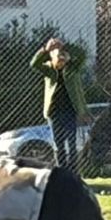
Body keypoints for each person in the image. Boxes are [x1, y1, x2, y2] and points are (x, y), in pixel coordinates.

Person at [32, 37, 87, 173]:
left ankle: (73, 172)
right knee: (59, 143)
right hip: (54, 111)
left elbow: (82, 54)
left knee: (72, 143)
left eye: (63, 56)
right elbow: (34, 64)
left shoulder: (73, 68)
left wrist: (65, 46)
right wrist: (45, 49)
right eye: (58, 57)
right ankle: (61, 171)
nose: (61, 59)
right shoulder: (49, 70)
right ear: (52, 58)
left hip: (70, 110)